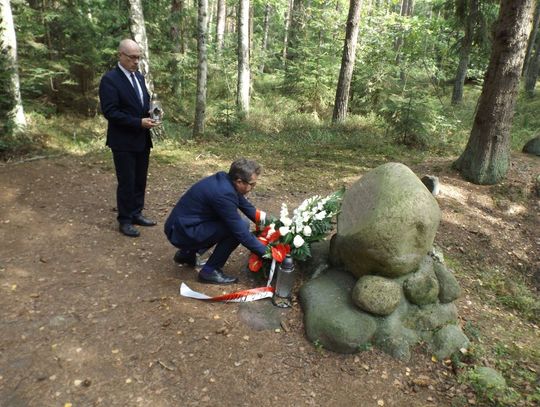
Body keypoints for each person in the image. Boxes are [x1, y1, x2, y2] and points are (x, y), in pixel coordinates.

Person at [164, 158, 268, 285]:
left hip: (181, 226)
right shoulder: (224, 194)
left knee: (237, 223)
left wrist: (274, 226)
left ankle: (186, 255)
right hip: (183, 233)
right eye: (252, 184)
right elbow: (241, 233)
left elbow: (248, 208)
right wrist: (268, 253)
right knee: (237, 229)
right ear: (239, 181)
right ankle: (209, 272)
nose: (253, 187)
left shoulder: (227, 181)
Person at [99, 38, 159, 237]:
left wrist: (152, 113)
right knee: (127, 181)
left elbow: (142, 104)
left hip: (142, 138)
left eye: (138, 58)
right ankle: (124, 220)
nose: (136, 62)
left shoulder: (139, 77)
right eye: (132, 57)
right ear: (120, 56)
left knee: (140, 180)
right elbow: (110, 112)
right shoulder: (110, 80)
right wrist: (137, 122)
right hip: (123, 140)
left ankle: (136, 213)